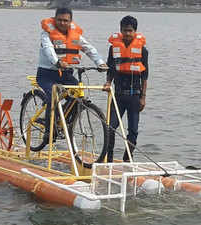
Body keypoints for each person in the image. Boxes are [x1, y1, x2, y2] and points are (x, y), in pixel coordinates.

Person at [36, 7, 107, 141]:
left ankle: (64, 120)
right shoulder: (46, 34)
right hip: (46, 74)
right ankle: (48, 130)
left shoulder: (75, 35)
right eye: (60, 20)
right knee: (53, 95)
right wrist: (57, 61)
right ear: (55, 19)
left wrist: (100, 63)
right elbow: (48, 48)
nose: (62, 23)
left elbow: (88, 48)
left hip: (66, 74)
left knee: (78, 96)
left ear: (70, 21)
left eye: (66, 20)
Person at [103, 15, 149, 162]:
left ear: (135, 31)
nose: (127, 34)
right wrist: (108, 83)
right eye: (125, 31)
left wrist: (143, 97)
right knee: (111, 127)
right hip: (118, 96)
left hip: (135, 96)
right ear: (120, 30)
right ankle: (108, 158)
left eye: (130, 31)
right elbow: (110, 68)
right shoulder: (113, 48)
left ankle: (127, 158)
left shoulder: (143, 50)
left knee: (133, 130)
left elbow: (145, 75)